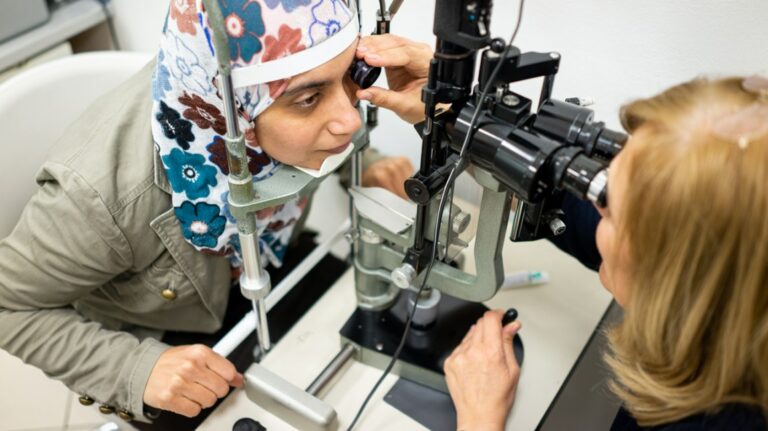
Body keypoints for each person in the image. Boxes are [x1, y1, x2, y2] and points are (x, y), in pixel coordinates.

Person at [0, 0, 430, 423]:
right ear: (232, 112)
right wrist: (133, 369)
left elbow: (325, 106)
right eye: (309, 99)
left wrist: (367, 163)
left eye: (353, 76)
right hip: (169, 333)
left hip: (270, 264)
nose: (350, 120)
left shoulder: (264, 101)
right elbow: (8, 306)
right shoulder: (100, 199)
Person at [444, 75, 768, 430]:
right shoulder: (730, 309)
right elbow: (578, 214)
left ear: (677, 274)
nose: (595, 206)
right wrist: (450, 114)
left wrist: (480, 419)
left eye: (611, 206)